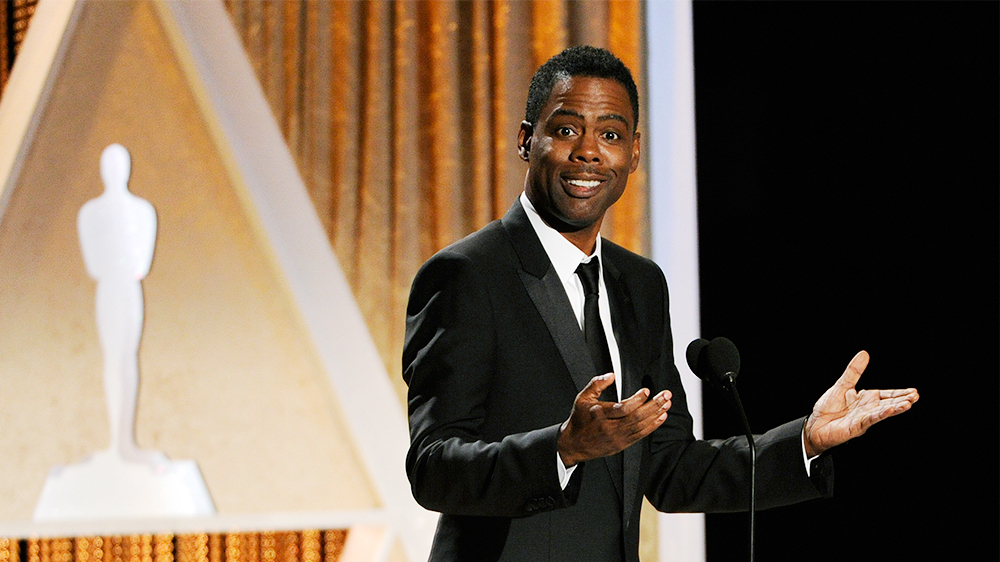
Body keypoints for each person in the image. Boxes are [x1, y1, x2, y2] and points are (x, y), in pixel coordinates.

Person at [403, 46, 918, 562]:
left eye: (610, 134)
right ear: (526, 140)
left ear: (633, 152)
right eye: (565, 130)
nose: (588, 152)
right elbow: (433, 469)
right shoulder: (466, 275)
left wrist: (805, 441)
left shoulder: (640, 283)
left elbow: (671, 469)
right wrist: (562, 448)